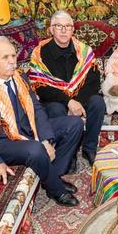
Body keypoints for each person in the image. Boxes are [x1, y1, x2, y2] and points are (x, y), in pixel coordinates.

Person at [0, 36, 83, 207]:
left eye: (13, 55)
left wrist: (45, 139)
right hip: (1, 141)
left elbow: (36, 109)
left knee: (74, 124)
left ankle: (53, 176)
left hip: (26, 129)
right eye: (5, 57)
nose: (12, 61)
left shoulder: (20, 77)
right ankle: (56, 189)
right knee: (35, 149)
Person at [28, 10, 104, 166]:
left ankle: (89, 148)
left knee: (98, 102)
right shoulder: (40, 52)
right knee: (55, 109)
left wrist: (77, 102)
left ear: (73, 29)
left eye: (68, 26)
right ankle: (69, 153)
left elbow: (94, 82)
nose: (64, 30)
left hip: (80, 97)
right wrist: (68, 102)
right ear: (51, 29)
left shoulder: (84, 50)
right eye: (59, 26)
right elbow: (41, 87)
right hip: (55, 99)